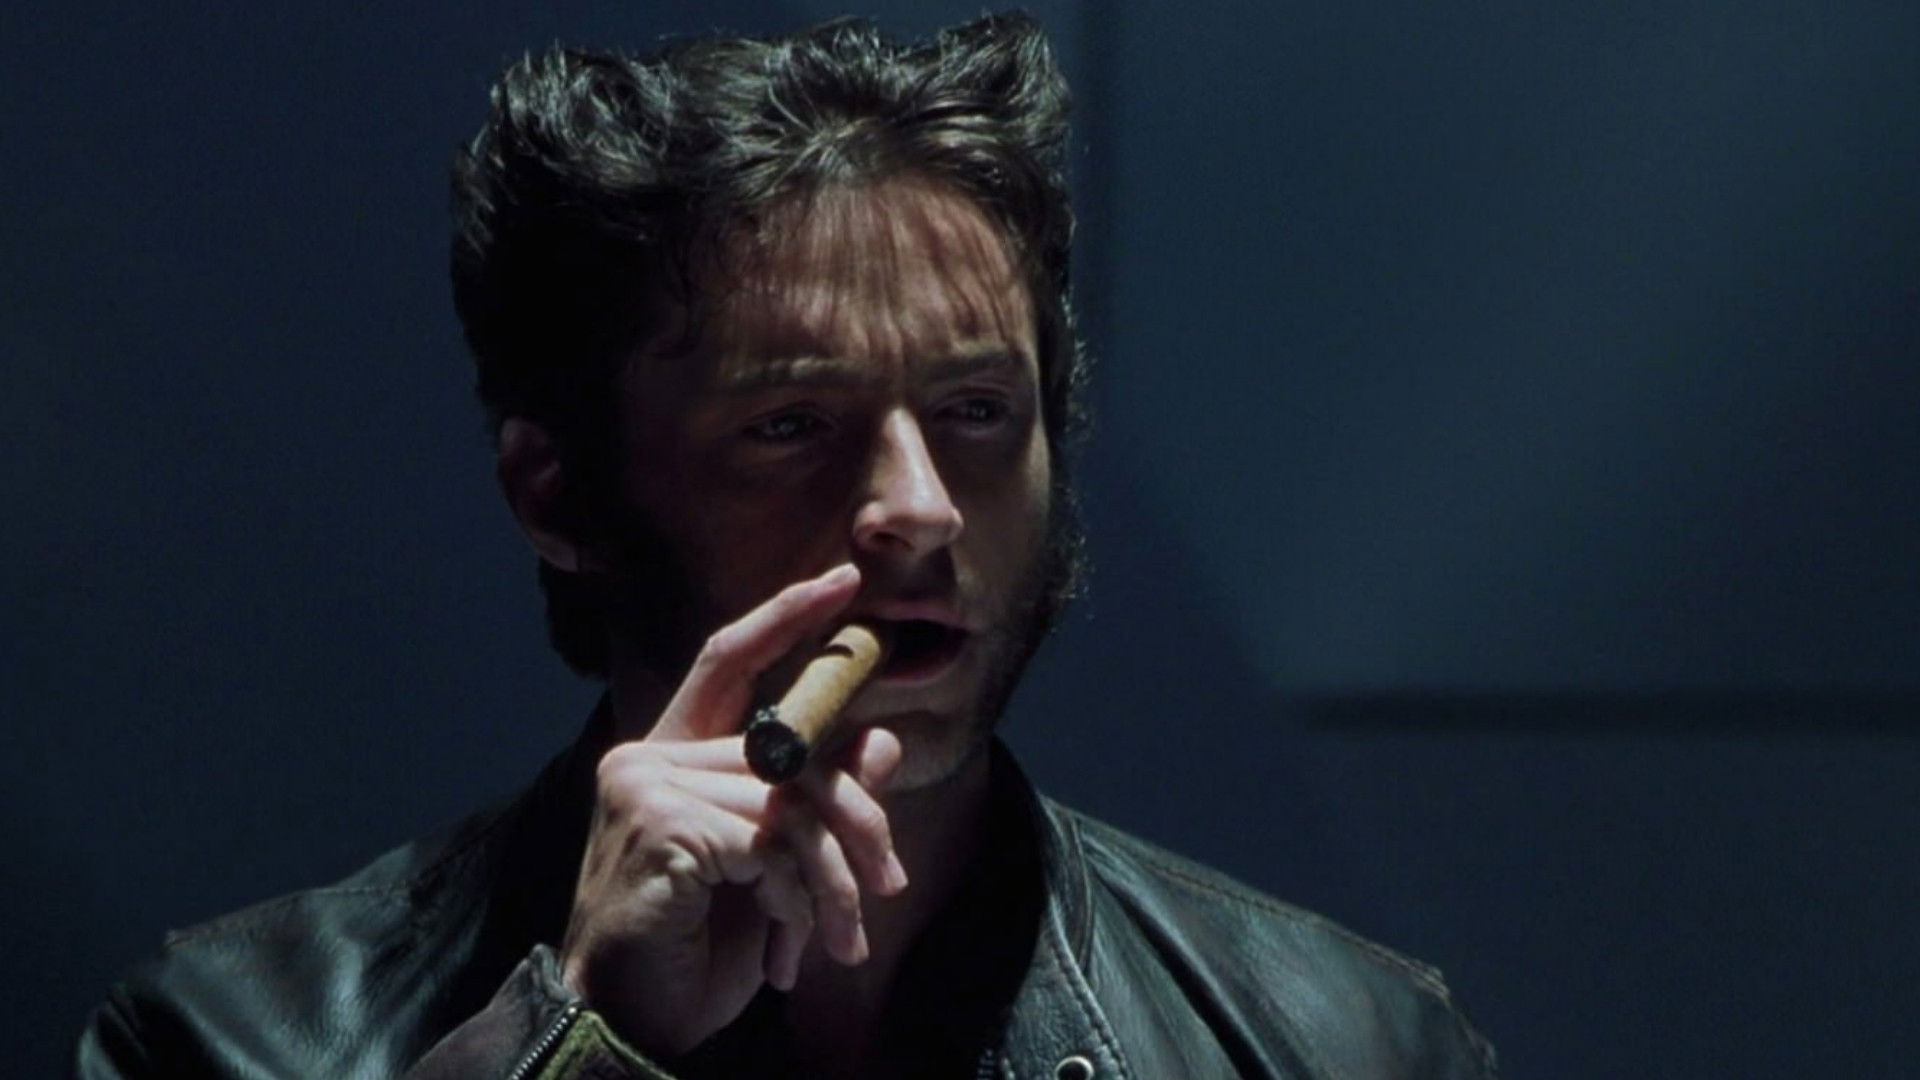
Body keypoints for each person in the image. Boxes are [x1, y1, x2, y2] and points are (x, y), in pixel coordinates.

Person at [73, 13, 1497, 1079]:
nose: (921, 507)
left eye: (978, 411)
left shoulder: (1348, 1047)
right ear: (558, 497)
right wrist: (586, 1040)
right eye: (792, 426)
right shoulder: (235, 1040)